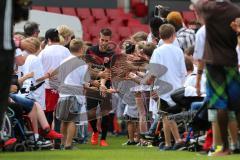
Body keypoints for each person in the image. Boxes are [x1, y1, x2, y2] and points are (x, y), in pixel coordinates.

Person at [192, 0, 240, 156]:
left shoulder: (208, 9)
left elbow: (196, 5)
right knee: (236, 104)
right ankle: (233, 144)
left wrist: (198, 80)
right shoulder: (235, 10)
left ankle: (224, 147)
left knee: (220, 104)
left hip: (213, 64)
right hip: (231, 61)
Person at [150, 24, 187, 150]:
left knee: (166, 116)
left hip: (163, 87)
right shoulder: (179, 51)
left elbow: (154, 71)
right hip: (177, 87)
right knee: (166, 116)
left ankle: (176, 140)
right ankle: (168, 143)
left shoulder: (158, 51)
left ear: (160, 36)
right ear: (173, 35)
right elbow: (183, 72)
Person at [85, 28, 114, 147]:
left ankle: (103, 138)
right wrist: (96, 78)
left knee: (105, 112)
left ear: (110, 40)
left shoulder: (111, 54)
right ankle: (95, 132)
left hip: (105, 84)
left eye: (106, 40)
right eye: (102, 39)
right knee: (90, 111)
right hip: (92, 83)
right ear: (99, 38)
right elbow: (87, 68)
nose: (104, 42)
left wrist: (102, 84)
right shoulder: (91, 50)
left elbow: (107, 71)